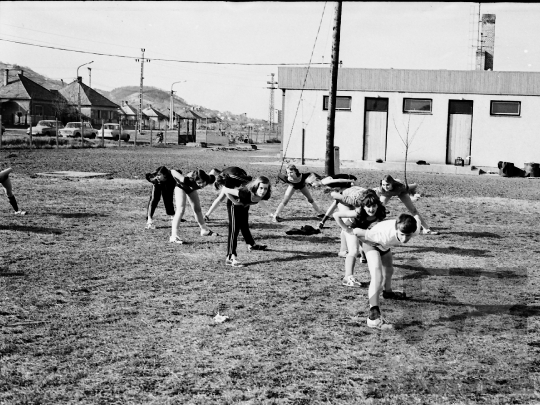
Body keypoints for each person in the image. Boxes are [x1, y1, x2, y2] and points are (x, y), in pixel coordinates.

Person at [343, 213, 422, 330]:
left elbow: (416, 217)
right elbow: (357, 232)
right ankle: (373, 318)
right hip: (372, 242)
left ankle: (388, 292)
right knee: (377, 276)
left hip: (384, 245)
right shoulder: (381, 234)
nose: (405, 239)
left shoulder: (415, 229)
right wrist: (359, 247)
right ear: (396, 228)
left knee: (389, 269)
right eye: (402, 235)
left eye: (408, 236)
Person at [215, 174, 272, 267]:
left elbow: (259, 201)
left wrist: (271, 213)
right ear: (256, 186)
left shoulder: (264, 195)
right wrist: (235, 202)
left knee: (244, 226)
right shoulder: (245, 193)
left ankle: (252, 245)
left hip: (244, 204)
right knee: (234, 229)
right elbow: (225, 190)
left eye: (265, 188)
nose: (263, 191)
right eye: (261, 188)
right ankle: (230, 257)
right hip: (235, 204)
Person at [333, 189, 386, 287]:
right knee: (353, 251)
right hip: (352, 227)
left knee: (374, 246)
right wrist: (346, 229)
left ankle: (364, 256)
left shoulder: (381, 212)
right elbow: (336, 215)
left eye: (374, 206)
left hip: (363, 229)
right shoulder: (357, 212)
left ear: (378, 205)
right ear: (363, 206)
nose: (371, 209)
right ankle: (347, 278)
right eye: (368, 206)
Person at [168, 168, 218, 244]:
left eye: (203, 182)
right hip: (181, 187)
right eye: (199, 183)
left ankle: (204, 230)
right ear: (194, 180)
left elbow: (213, 171)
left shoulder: (209, 179)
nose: (201, 185)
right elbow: (172, 171)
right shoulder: (186, 180)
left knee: (197, 209)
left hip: (191, 189)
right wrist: (177, 180)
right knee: (180, 209)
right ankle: (173, 236)